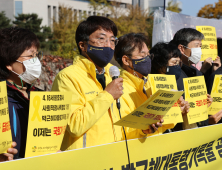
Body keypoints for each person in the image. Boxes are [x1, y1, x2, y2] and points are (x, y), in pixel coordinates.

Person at [52, 16, 140, 150]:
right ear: (83, 45)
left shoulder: (112, 75)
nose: (108, 46)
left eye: (112, 40)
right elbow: (74, 126)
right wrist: (107, 95)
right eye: (101, 39)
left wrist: (143, 130)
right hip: (85, 161)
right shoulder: (67, 77)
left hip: (114, 157)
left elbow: (119, 127)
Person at [114, 33, 186, 136]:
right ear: (126, 60)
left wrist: (176, 110)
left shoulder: (151, 83)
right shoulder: (120, 90)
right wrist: (143, 130)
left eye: (148, 55)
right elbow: (121, 133)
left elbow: (160, 128)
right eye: (143, 56)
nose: (148, 59)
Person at [0, 27, 43, 158]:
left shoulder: (40, 96)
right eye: (30, 56)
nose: (36, 61)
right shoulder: (3, 98)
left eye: (36, 55)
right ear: (9, 63)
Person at [171, 28, 214, 128]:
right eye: (196, 46)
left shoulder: (198, 73)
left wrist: (204, 103)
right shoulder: (172, 74)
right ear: (181, 48)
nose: (199, 50)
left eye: (200, 46)